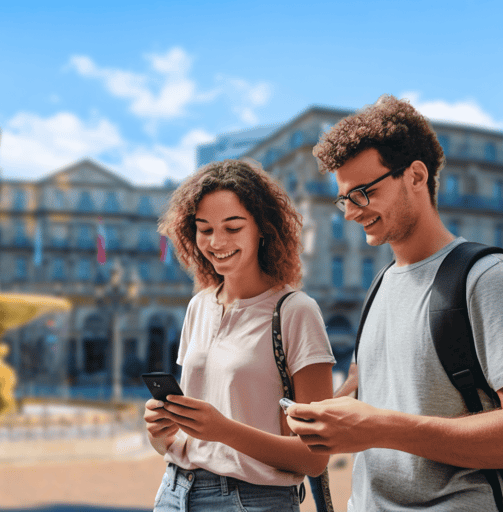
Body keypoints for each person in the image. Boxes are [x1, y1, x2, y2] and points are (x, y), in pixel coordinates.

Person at [286, 95, 503, 510]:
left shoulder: (486, 278)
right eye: (344, 199)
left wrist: (381, 429)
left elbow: (380, 424)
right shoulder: (380, 285)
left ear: (417, 176)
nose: (350, 213)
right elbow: (361, 393)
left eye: (363, 193)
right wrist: (319, 415)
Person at [145, 159, 336, 511]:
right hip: (174, 491)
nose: (217, 242)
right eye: (205, 229)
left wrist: (222, 430)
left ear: (262, 228)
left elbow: (314, 458)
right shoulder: (198, 307)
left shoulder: (296, 312)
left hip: (250, 500)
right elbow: (192, 438)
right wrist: (163, 431)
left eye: (233, 228)